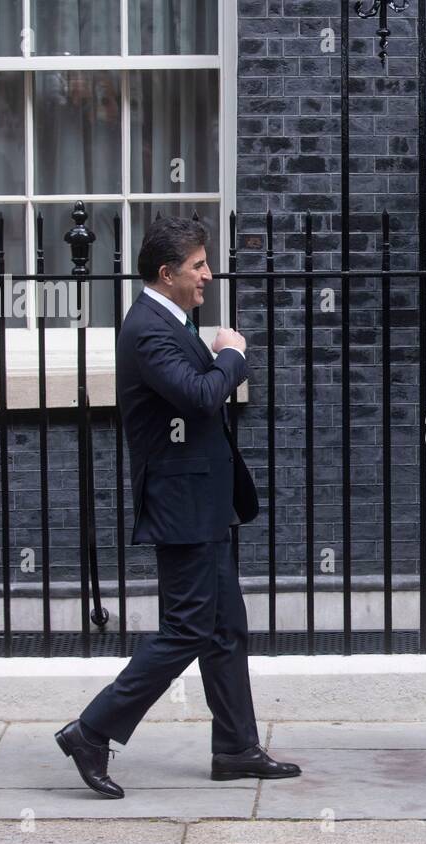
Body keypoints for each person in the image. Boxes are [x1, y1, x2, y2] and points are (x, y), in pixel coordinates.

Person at [55, 216, 299, 798]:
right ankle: (92, 731)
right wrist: (231, 354)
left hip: (202, 500)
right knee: (187, 628)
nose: (208, 275)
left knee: (224, 628)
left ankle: (236, 748)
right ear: (166, 273)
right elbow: (200, 395)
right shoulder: (147, 329)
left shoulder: (170, 321)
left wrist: (207, 348)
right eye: (198, 266)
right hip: (180, 502)